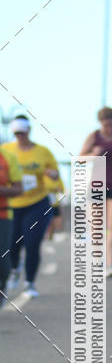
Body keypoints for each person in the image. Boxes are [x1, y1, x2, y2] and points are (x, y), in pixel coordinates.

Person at [1, 117, 60, 298]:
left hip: (36, 203)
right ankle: (14, 271)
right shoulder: (6, 151)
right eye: (16, 133)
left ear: (28, 131)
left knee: (32, 242)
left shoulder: (42, 152)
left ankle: (29, 283)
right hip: (12, 205)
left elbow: (56, 175)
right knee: (12, 245)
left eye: (23, 133)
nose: (20, 137)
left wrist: (52, 174)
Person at [80, 107, 112, 277]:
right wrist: (93, 155)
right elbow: (80, 158)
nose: (109, 128)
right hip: (97, 185)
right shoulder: (94, 137)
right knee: (96, 227)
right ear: (100, 123)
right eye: (105, 124)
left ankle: (111, 264)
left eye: (111, 124)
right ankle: (97, 262)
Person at [0, 142, 23, 306]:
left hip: (3, 214)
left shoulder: (7, 157)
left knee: (2, 261)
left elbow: (18, 189)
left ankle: (2, 286)